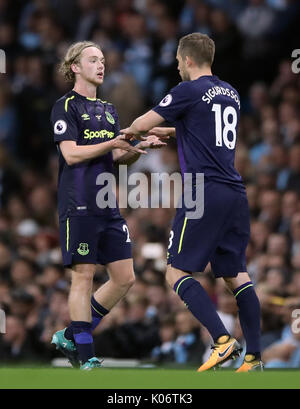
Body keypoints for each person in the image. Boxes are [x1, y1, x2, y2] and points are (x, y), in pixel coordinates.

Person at [121, 33, 263, 372]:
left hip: (203, 190)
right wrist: (171, 133)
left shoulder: (187, 90)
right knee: (236, 275)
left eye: (177, 61)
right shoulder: (231, 93)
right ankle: (255, 357)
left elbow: (142, 124)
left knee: (175, 272)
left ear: (186, 60)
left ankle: (222, 340)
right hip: (233, 191)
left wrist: (128, 135)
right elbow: (205, 131)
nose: (177, 67)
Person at [50, 41, 166, 370]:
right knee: (83, 276)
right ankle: (86, 357)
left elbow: (114, 156)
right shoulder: (65, 106)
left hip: (108, 204)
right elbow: (71, 154)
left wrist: (139, 146)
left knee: (125, 277)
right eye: (92, 60)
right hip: (79, 203)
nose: (101, 65)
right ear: (75, 67)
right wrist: (112, 143)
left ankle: (72, 334)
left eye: (103, 60)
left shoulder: (109, 110)